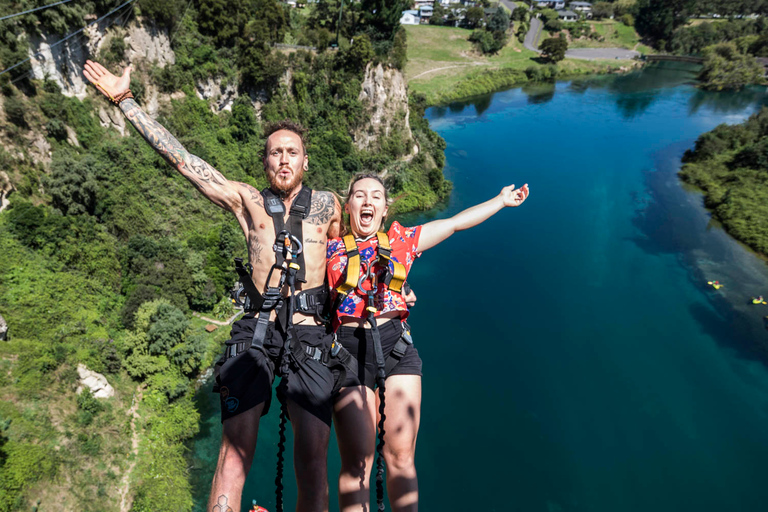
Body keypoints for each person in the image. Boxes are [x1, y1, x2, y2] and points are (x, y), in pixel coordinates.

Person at [82, 61, 342, 512]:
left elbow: (345, 261)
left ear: (305, 160)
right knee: (233, 451)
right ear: (265, 161)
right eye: (275, 152)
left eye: (292, 152)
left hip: (308, 330)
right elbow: (184, 161)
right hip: (256, 328)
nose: (283, 159)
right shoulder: (245, 199)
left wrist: (387, 297)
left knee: (314, 459)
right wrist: (126, 102)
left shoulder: (328, 205)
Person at [327, 174, 529, 511]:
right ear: (347, 207)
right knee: (357, 464)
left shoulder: (400, 240)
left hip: (396, 348)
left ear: (384, 208)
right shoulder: (329, 247)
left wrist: (500, 201)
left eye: (375, 196)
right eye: (359, 196)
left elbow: (453, 224)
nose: (367, 201)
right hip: (348, 352)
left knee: (402, 456)